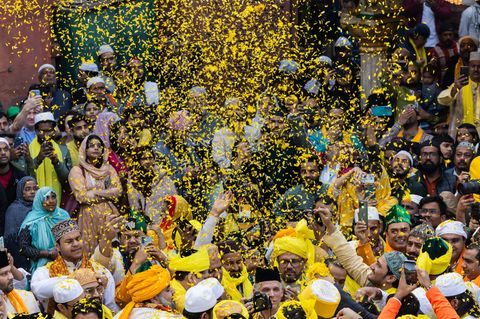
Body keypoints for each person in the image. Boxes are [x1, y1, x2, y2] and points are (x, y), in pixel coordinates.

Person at [30, 219, 118, 313]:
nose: (76, 244)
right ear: (57, 246)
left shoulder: (99, 270)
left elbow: (110, 306)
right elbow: (37, 290)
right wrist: (75, 278)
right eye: (69, 241)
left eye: (78, 239)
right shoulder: (45, 271)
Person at [68, 134, 122, 256]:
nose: (96, 148)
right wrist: (107, 193)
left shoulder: (108, 169)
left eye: (99, 146)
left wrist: (96, 192)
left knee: (112, 251)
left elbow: (118, 191)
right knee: (90, 251)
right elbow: (82, 196)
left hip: (109, 214)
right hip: (88, 216)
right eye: (91, 146)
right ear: (84, 150)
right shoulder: (77, 170)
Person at [18, 187, 70, 273]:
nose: (51, 201)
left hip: (66, 262)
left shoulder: (63, 215)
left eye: (53, 197)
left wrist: (61, 251)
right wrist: (47, 253)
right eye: (46, 198)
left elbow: (72, 237)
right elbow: (23, 248)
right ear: (39, 201)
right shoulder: (31, 221)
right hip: (42, 268)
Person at [30, 112, 72, 202]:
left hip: (56, 201)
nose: (46, 135)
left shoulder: (63, 150)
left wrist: (56, 162)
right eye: (42, 131)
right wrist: (38, 159)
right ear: (36, 131)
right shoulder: (27, 151)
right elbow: (24, 176)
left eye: (49, 131)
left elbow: (67, 181)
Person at [112, 265, 181, 319]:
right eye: (167, 290)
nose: (173, 291)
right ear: (154, 298)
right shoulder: (163, 316)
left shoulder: (122, 313)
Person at [4, 176, 37, 270]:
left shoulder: (40, 208)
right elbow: (11, 240)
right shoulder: (14, 210)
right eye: (27, 189)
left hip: (38, 253)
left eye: (35, 188)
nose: (32, 192)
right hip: (19, 255)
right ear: (20, 191)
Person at [0, 250, 40, 315]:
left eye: (10, 271)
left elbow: (22, 281)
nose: (11, 277)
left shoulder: (27, 297)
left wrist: (11, 266)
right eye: (4, 274)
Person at [0, 137, 26, 234]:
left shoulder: (21, 176)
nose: (3, 153)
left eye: (6, 149)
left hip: (17, 230)